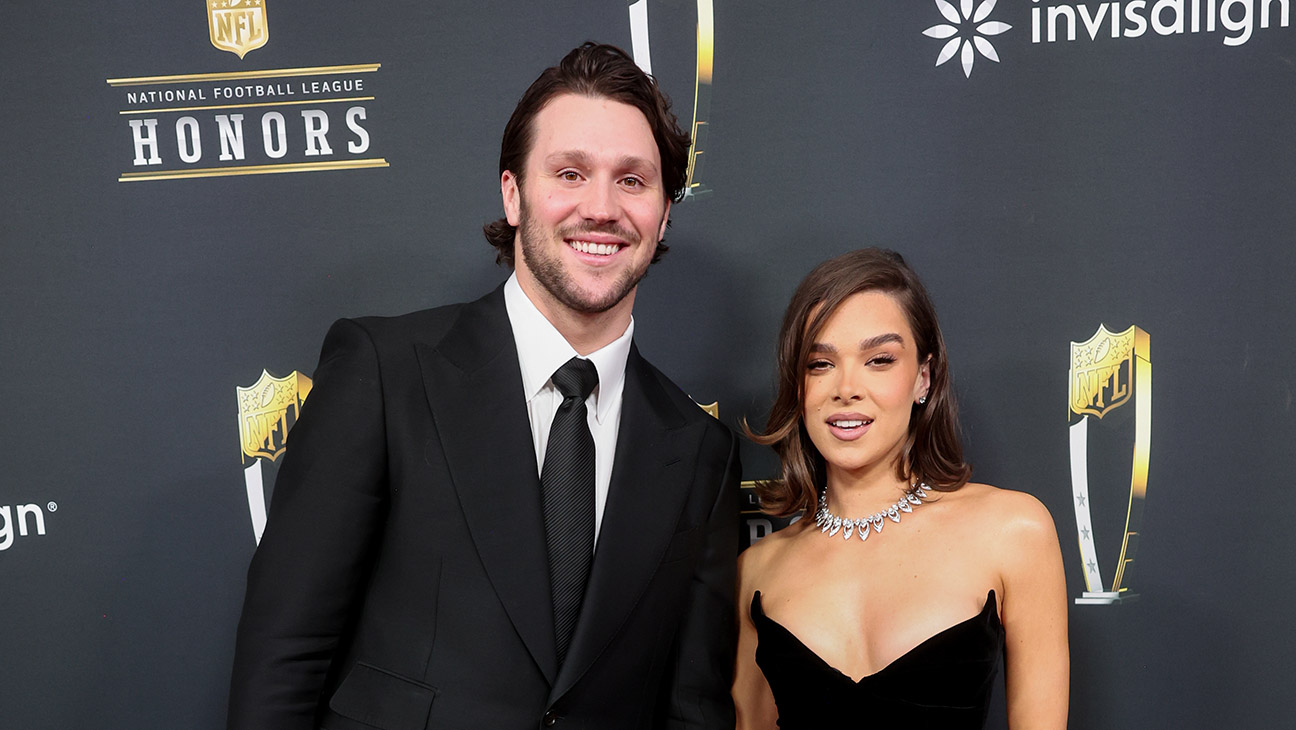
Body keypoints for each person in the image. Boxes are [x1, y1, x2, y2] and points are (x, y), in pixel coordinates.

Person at [227, 43, 740, 730]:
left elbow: (691, 708)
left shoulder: (699, 451)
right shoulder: (386, 371)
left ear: (665, 212)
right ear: (513, 194)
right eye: (569, 172)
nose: (600, 207)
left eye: (632, 181)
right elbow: (284, 653)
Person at [732, 249, 1068, 729]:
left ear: (923, 378)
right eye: (820, 364)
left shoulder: (1013, 531)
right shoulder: (758, 570)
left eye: (880, 360)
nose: (846, 388)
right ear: (797, 385)